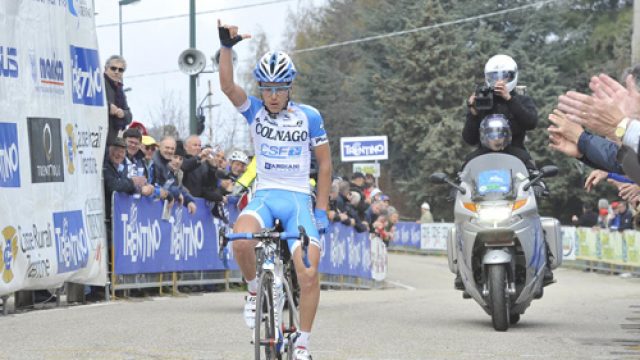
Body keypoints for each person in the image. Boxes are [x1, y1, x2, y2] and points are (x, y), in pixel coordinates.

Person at [218, 20, 332, 360]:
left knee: (309, 272)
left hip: (298, 199)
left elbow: (325, 165)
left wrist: (322, 210)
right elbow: (226, 86)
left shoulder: (308, 117)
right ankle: (255, 290)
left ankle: (302, 344)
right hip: (265, 196)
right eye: (266, 88)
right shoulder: (254, 111)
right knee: (240, 239)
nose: (272, 95)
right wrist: (226, 48)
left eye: (279, 88)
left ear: (290, 87)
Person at [463, 54, 538, 169]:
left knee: (536, 181)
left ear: (513, 76)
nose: (499, 81)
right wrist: (473, 112)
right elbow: (469, 139)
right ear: (487, 78)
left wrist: (509, 99)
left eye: (505, 76)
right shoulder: (482, 101)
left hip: (516, 156)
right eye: (494, 77)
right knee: (462, 177)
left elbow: (531, 123)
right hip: (484, 157)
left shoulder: (522, 100)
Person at [104, 55, 133, 146]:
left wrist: (123, 113)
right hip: (99, 137)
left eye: (120, 70)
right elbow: (91, 103)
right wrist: (108, 107)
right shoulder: (99, 82)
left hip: (113, 141)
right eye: (113, 68)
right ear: (106, 69)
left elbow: (129, 116)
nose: (117, 72)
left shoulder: (120, 90)